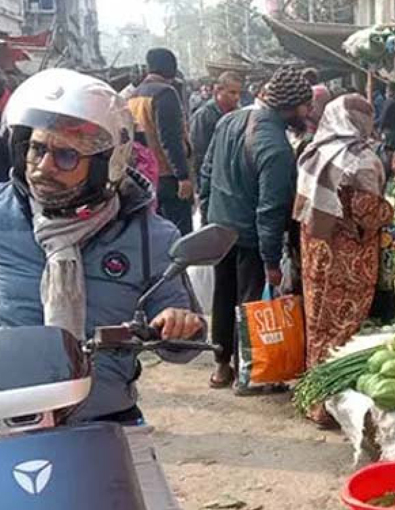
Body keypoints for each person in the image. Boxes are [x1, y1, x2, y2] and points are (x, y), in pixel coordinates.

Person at [0, 69, 205, 510]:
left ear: (106, 163)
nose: (43, 166)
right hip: (7, 427)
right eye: (37, 148)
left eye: (65, 155)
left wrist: (178, 322)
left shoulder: (151, 236)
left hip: (110, 424)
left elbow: (186, 344)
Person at [199, 66, 312, 390]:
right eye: (304, 106)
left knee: (223, 295)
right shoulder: (275, 147)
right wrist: (272, 261)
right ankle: (249, 373)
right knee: (250, 302)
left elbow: (206, 174)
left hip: (220, 229)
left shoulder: (229, 120)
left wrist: (209, 218)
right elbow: (269, 209)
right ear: (289, 105)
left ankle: (222, 367)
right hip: (248, 235)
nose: (307, 113)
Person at [294, 95, 394, 386]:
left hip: (315, 249)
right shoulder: (361, 159)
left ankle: (311, 387)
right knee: (342, 325)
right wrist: (389, 211)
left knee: (317, 319)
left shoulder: (313, 150)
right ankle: (328, 397)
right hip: (348, 258)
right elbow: (367, 213)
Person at [128, 48, 193, 236]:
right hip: (168, 176)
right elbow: (169, 138)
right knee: (179, 234)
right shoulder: (166, 93)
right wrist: (182, 176)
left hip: (146, 175)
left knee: (156, 234)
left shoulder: (134, 95)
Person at [189, 71, 243, 183]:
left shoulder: (238, 113)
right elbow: (199, 152)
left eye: (239, 93)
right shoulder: (204, 115)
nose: (237, 97)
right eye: (232, 93)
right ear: (218, 90)